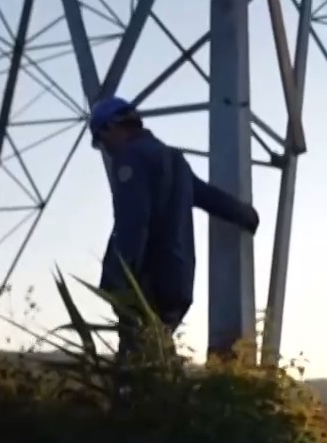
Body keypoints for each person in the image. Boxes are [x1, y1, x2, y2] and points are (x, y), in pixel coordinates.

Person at [89, 96, 260, 364]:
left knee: (136, 368)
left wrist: (122, 279)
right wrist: (247, 215)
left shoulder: (130, 158)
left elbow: (133, 222)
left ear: (112, 127)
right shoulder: (174, 160)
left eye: (100, 140)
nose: (105, 149)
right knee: (156, 356)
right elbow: (207, 196)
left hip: (147, 282)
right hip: (178, 283)